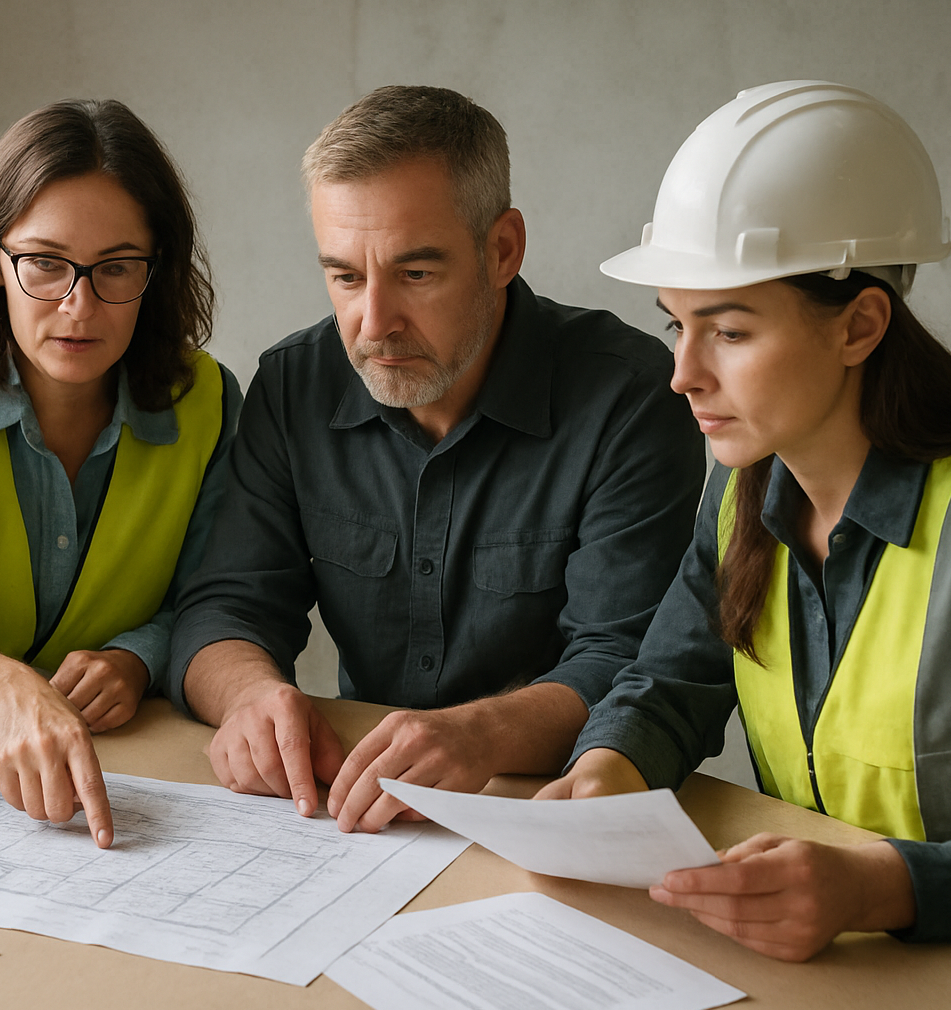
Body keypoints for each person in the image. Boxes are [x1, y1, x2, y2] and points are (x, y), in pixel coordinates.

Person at [542, 81, 951, 967]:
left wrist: (878, 887)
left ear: (859, 326)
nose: (683, 374)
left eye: (728, 332)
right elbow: (670, 685)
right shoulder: (744, 497)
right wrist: (608, 773)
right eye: (676, 327)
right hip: (839, 977)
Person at [168, 85, 704, 834]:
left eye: (416, 275)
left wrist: (478, 733)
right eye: (346, 277)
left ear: (502, 250)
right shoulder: (293, 385)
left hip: (554, 810)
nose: (374, 324)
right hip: (352, 814)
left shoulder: (631, 396)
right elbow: (227, 605)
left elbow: (630, 658)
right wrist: (249, 695)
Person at [0, 100, 239, 850]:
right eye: (45, 264)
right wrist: (8, 691)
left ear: (156, 270)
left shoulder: (210, 401)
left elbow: (215, 598)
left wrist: (136, 658)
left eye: (116, 267)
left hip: (146, 772)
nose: (78, 305)